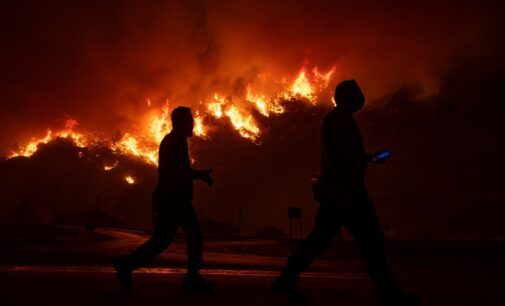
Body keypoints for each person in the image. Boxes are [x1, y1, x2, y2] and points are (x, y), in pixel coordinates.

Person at [272, 80, 420, 306]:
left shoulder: (343, 120)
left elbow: (347, 156)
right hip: (346, 194)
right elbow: (336, 160)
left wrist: (369, 158)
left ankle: (286, 279)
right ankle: (389, 295)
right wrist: (345, 193)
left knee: (321, 241)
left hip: (343, 193)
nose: (360, 98)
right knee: (370, 243)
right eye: (355, 94)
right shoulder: (336, 121)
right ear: (344, 97)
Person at [113, 106, 215, 292]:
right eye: (189, 120)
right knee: (191, 235)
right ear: (180, 123)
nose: (193, 123)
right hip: (173, 199)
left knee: (164, 239)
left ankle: (126, 265)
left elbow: (177, 170)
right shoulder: (175, 142)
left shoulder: (176, 141)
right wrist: (200, 176)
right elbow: (174, 171)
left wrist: (198, 174)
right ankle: (191, 279)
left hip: (172, 198)